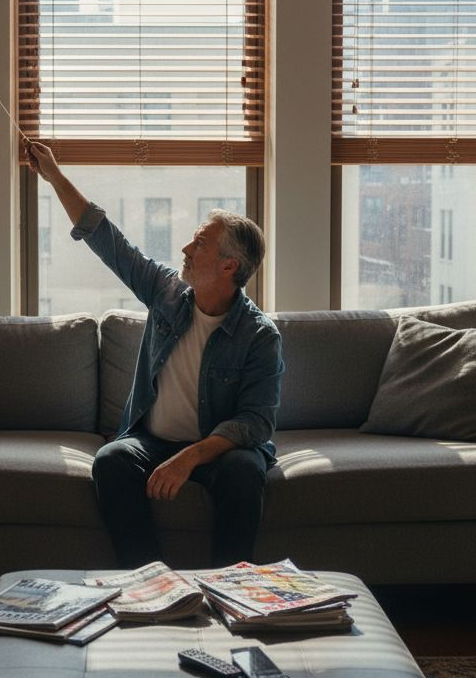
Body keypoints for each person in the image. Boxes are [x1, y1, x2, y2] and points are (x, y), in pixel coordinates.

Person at [25, 141, 284, 568]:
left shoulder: (260, 336)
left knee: (244, 472)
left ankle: (229, 587)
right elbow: (107, 240)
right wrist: (53, 174)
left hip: (219, 451)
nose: (185, 248)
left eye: (200, 243)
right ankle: (149, 581)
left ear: (228, 266)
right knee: (111, 462)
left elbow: (256, 422)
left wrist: (192, 455)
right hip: (152, 442)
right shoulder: (167, 293)